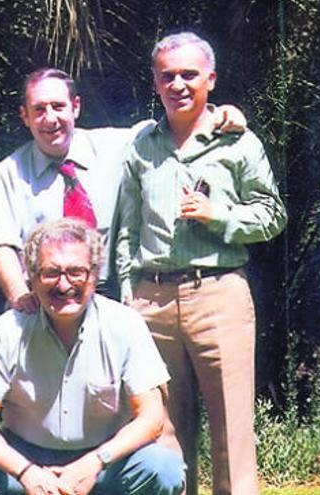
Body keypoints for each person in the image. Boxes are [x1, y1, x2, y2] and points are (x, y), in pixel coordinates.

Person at [115, 31, 287, 495]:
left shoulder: (239, 142)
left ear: (211, 79)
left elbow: (273, 214)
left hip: (219, 294)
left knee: (232, 428)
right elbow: (126, 231)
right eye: (167, 76)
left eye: (189, 75)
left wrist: (220, 216)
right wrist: (128, 292)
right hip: (151, 302)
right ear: (154, 81)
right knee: (163, 433)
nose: (178, 85)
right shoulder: (141, 147)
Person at [0, 218, 185, 495]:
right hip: (23, 462)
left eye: (76, 272)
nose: (64, 284)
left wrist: (94, 463)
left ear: (94, 274)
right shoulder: (8, 329)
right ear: (31, 275)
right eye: (51, 272)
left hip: (106, 461)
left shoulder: (125, 324)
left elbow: (151, 419)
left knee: (163, 469)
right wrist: (27, 472)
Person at [0, 68, 247, 312]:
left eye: (58, 106)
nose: (50, 118)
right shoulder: (9, 172)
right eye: (39, 109)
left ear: (75, 107)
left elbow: (166, 128)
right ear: (25, 116)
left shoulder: (115, 147)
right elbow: (1, 244)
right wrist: (21, 298)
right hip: (44, 301)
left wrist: (217, 114)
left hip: (110, 298)